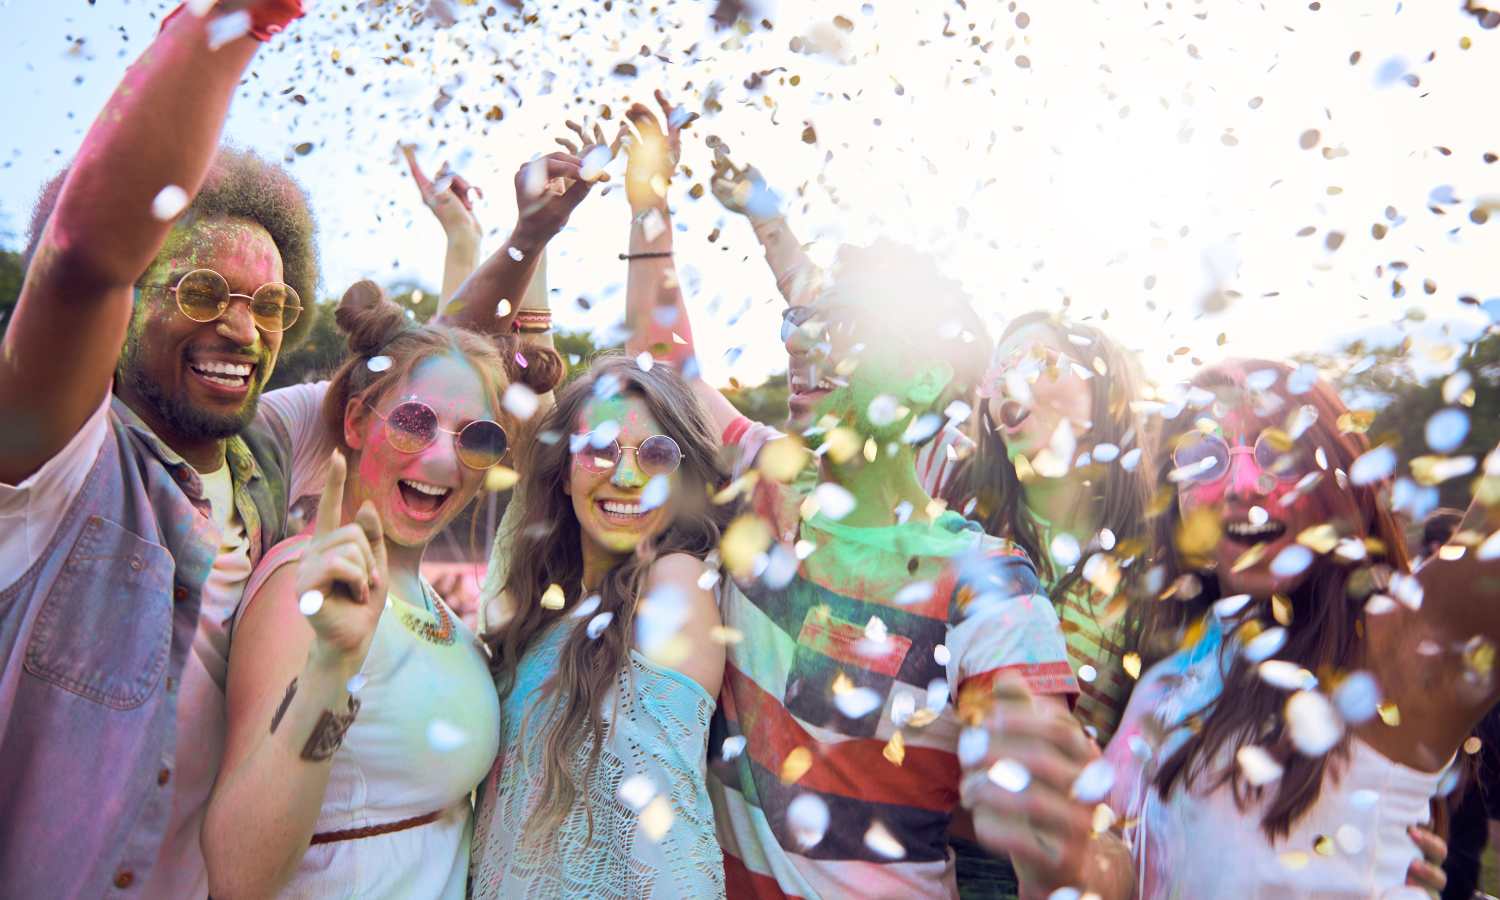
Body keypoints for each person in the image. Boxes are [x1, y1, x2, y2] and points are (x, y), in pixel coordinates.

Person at [612, 93, 1128, 900]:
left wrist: (1068, 854)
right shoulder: (767, 485)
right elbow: (666, 373)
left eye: (845, 329)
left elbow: (1083, 870)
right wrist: (649, 208)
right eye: (805, 325)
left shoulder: (985, 586)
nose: (809, 344)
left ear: (923, 379)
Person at [0, 5, 325, 897]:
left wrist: (526, 236)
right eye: (200, 288)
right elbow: (80, 261)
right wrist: (231, 21)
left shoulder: (265, 450)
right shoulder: (60, 458)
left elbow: (429, 379)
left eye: (269, 306)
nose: (240, 327)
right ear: (133, 300)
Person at [964, 359, 1492, 898]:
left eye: (1281, 452)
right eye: (1202, 457)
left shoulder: (1397, 651)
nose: (1242, 484)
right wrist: (1065, 859)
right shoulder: (1168, 677)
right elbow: (1128, 871)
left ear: (1344, 475)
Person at [202, 284, 561, 899]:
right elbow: (238, 876)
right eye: (415, 423)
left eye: (477, 438)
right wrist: (331, 667)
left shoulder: (432, 604)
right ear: (356, 422)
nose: (445, 462)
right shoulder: (308, 584)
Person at [468, 355, 734, 899]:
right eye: (599, 449)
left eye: (657, 455)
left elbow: (665, 836)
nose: (629, 476)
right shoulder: (547, 607)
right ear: (564, 471)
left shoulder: (674, 581)